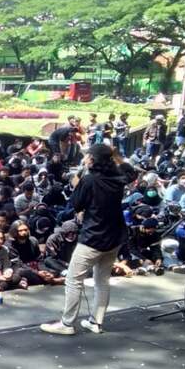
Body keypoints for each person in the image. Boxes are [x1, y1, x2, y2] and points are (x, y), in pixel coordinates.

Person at [41, 143, 137, 336]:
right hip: (115, 236)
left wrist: (82, 172)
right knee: (102, 280)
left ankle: (67, 324)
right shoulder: (118, 176)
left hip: (94, 236)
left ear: (92, 159)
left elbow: (75, 204)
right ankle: (96, 322)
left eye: (87, 156)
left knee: (73, 280)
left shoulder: (89, 180)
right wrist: (114, 153)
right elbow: (131, 171)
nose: (84, 158)